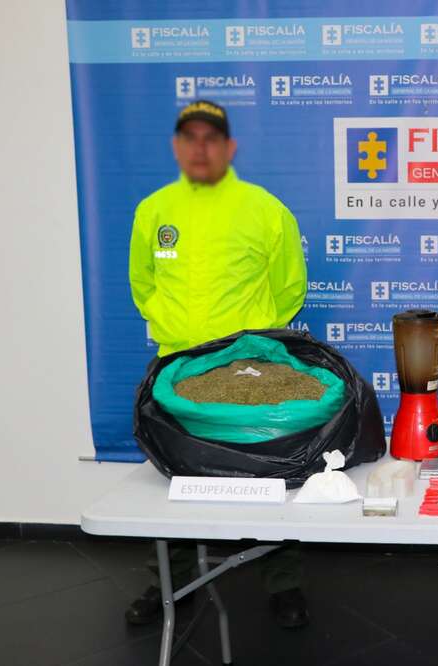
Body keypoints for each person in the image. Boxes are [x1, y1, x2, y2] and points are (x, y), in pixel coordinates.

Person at [126, 100, 309, 628]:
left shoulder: (264, 209)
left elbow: (290, 287)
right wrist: (175, 326)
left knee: (267, 475)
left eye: (211, 138)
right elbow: (143, 283)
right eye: (190, 138)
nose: (200, 148)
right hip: (176, 368)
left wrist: (249, 340)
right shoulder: (154, 210)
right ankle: (170, 582)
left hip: (248, 370)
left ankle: (283, 583)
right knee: (174, 477)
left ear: (228, 147)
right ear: (177, 147)